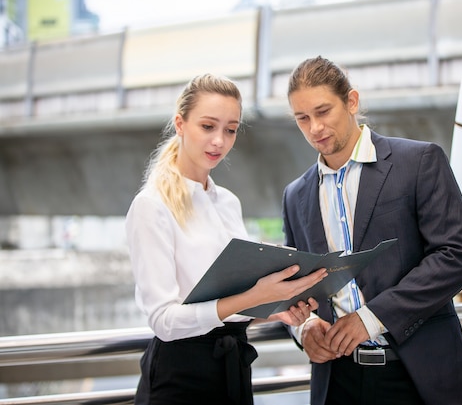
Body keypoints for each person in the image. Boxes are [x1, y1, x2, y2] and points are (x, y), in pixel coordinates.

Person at [282, 56, 462, 405]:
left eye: (323, 111)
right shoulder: (295, 195)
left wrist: (372, 319)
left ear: (352, 101)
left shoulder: (419, 162)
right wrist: (304, 327)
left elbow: (457, 256)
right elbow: (294, 284)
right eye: (302, 118)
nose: (314, 127)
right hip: (336, 383)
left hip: (417, 376)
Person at [125, 73, 327, 405]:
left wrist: (275, 308)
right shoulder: (151, 206)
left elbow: (230, 300)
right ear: (180, 123)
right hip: (179, 377)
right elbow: (164, 321)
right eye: (208, 126)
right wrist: (251, 299)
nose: (219, 140)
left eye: (230, 130)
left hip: (233, 369)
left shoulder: (228, 202)